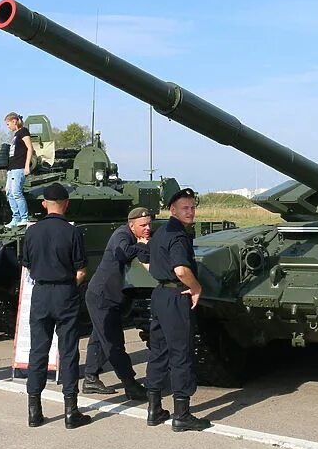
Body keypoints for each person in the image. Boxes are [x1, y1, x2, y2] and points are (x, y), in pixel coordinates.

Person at [21, 182, 91, 429]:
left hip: (40, 293)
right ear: (67, 204)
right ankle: (71, 411)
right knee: (69, 351)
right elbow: (81, 269)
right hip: (65, 293)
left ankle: (34, 411)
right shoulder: (73, 232)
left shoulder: (31, 232)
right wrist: (70, 284)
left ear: (44, 204)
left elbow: (27, 265)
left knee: (38, 352)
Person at [145, 187, 212, 432]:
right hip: (175, 295)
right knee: (181, 353)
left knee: (158, 351)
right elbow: (181, 270)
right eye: (185, 208)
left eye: (193, 207)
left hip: (160, 294)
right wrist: (195, 288)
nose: (191, 212)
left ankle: (154, 409)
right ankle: (182, 414)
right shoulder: (178, 235)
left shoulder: (161, 232)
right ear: (173, 210)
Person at [82, 207, 152, 401]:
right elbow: (123, 253)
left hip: (111, 296)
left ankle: (90, 378)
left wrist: (143, 246)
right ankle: (130, 384)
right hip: (102, 296)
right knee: (113, 342)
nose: (147, 228)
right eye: (143, 225)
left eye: (149, 224)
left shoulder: (138, 236)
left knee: (100, 337)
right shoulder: (121, 235)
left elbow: (144, 256)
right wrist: (141, 246)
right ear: (132, 225)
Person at [4, 112, 33, 228]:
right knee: (9, 193)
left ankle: (24, 217)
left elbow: (29, 148)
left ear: (14, 121)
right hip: (12, 168)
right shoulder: (15, 135)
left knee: (16, 192)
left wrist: (27, 166)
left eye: (8, 124)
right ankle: (15, 217)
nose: (8, 126)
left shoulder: (23, 132)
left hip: (19, 167)